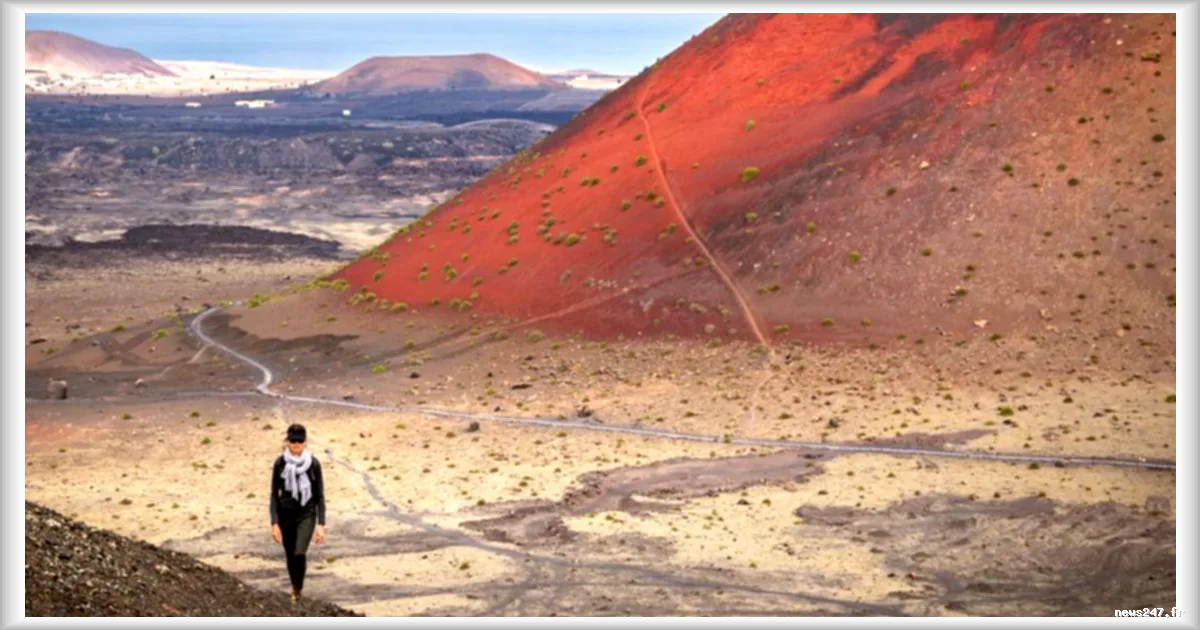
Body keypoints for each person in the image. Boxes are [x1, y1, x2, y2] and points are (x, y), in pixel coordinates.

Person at [269, 423, 326, 602]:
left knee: (299, 552)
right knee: (290, 554)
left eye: (299, 441)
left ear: (305, 442)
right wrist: (274, 523)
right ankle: (295, 589)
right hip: (285, 514)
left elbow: (320, 496)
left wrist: (321, 524)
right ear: (288, 441)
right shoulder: (280, 463)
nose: (296, 444)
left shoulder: (313, 464)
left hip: (306, 514)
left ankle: (297, 587)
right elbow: (273, 495)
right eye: (293, 440)